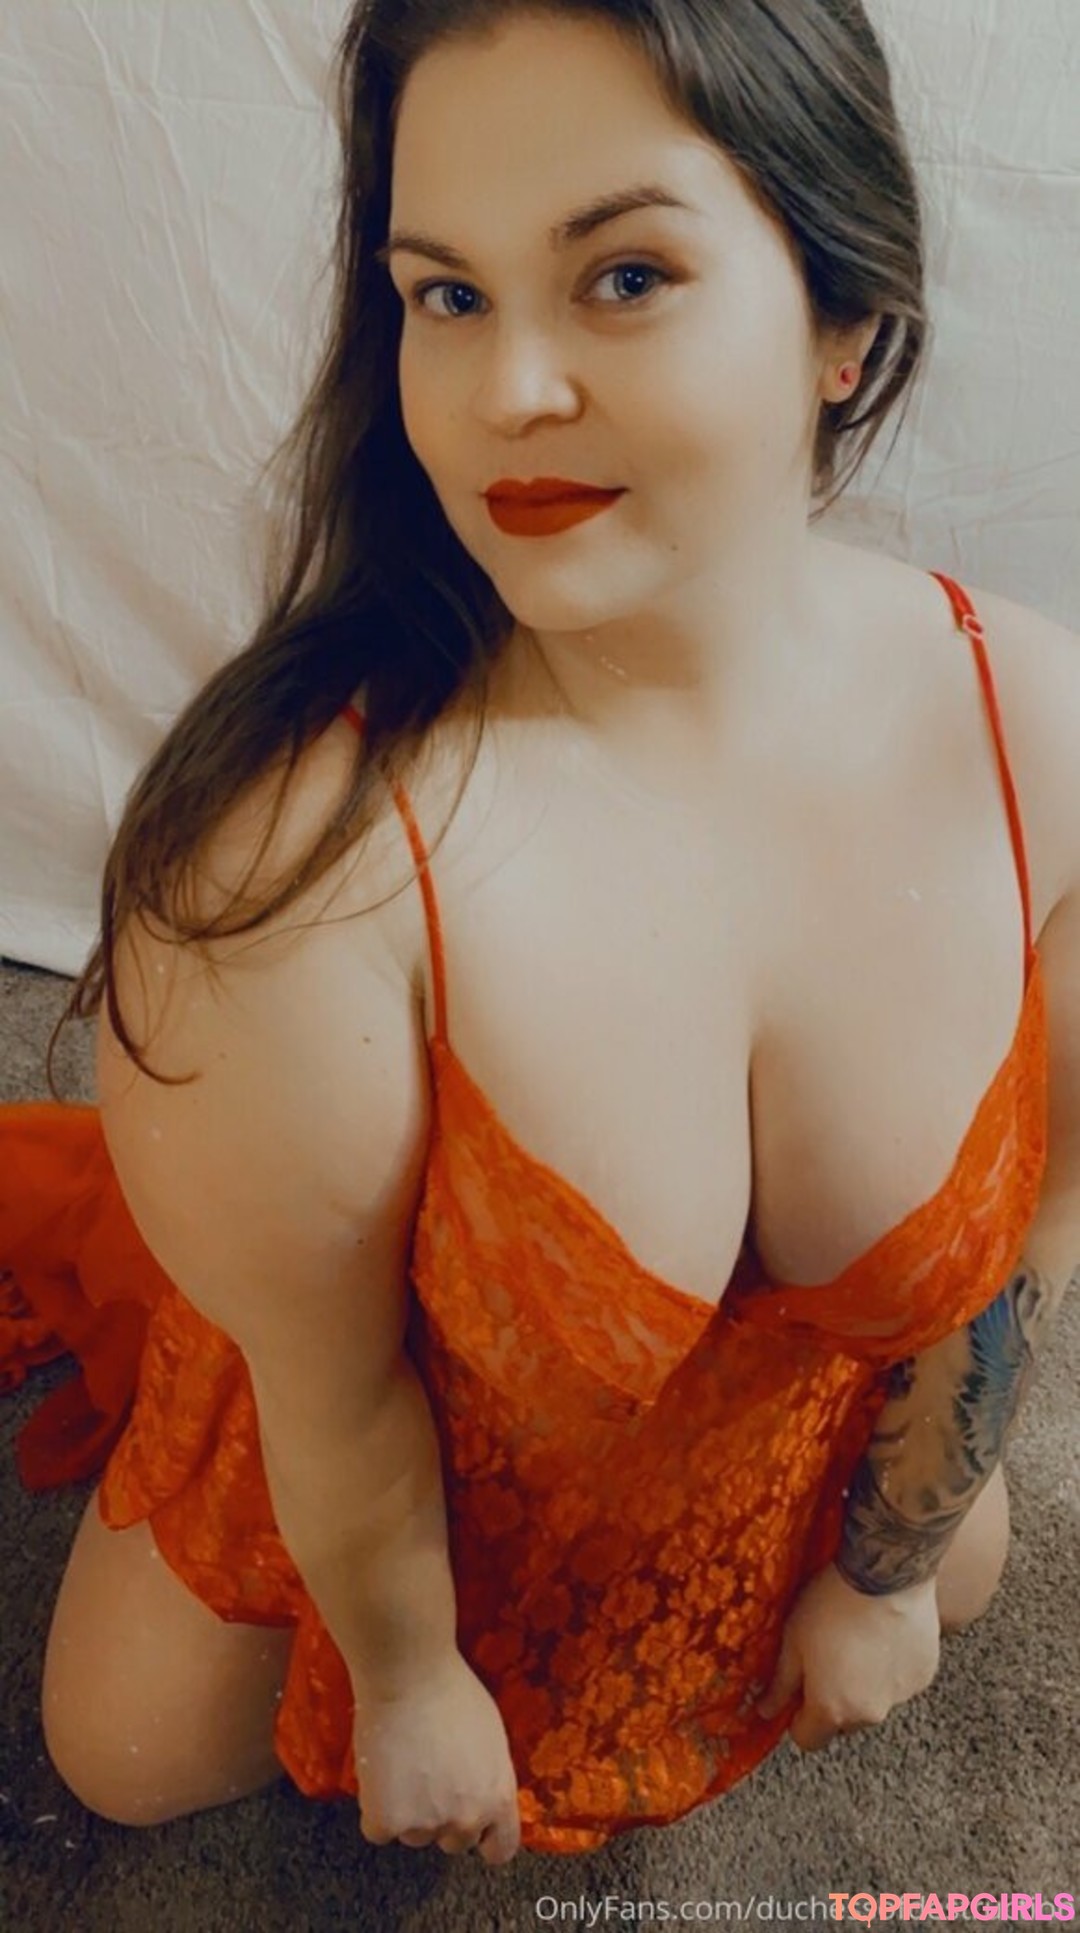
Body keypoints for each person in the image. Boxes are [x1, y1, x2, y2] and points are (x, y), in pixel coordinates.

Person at [2, 0, 1076, 1872]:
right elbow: (339, 1395)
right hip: (406, 1493)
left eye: (625, 276)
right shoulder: (304, 877)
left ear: (843, 319)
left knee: (974, 1570)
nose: (503, 393)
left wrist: (895, 1566)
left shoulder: (1036, 739)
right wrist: (409, 1681)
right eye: (446, 295)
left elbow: (1040, 1216)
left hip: (804, 1473)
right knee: (124, 1754)